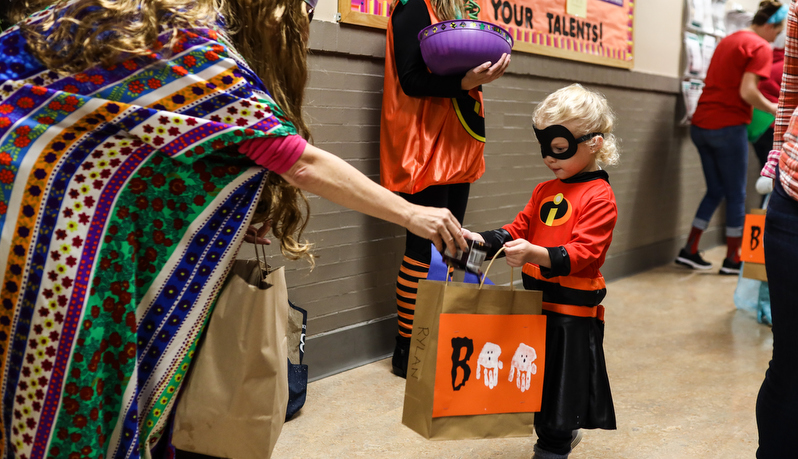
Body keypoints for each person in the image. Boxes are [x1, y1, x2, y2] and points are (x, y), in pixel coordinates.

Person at [0, 0, 468, 457]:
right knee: (71, 391)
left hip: (20, 214)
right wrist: (413, 214)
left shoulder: (97, 21)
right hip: (53, 251)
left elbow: (143, 150)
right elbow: (297, 161)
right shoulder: (185, 38)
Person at [462, 84, 619, 459]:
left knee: (561, 386)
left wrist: (537, 253)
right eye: (544, 147)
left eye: (560, 148)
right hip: (536, 307)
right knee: (536, 381)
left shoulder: (599, 196)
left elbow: (585, 252)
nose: (550, 157)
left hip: (570, 313)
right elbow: (517, 229)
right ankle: (555, 433)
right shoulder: (545, 190)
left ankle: (554, 446)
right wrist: (476, 242)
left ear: (594, 142)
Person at [380, 0, 510, 377]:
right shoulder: (413, 7)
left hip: (458, 140)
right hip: (423, 145)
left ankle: (437, 334)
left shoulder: (464, 10)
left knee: (452, 244)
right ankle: (408, 348)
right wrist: (465, 82)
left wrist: (482, 75)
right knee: (422, 250)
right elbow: (411, 80)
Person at [675, 0, 786, 275]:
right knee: (736, 193)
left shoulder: (730, 40)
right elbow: (748, 92)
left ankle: (689, 250)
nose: (776, 37)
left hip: (701, 124)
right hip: (728, 126)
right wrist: (776, 109)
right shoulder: (760, 46)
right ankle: (733, 260)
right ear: (770, 25)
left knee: (716, 190)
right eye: (777, 31)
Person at [755, 1, 798, 456]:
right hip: (794, 197)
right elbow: (789, 93)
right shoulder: (756, 42)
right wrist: (774, 160)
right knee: (792, 360)